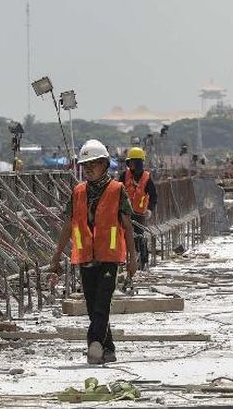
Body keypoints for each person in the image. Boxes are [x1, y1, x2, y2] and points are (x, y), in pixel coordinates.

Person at [50, 139, 137, 365]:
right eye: (85, 165)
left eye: (93, 164)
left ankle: (94, 342)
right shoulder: (78, 192)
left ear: (105, 165)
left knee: (102, 304)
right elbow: (68, 225)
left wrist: (133, 258)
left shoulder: (117, 190)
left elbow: (128, 226)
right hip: (86, 256)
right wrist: (56, 257)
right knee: (92, 305)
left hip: (109, 257)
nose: (88, 169)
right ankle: (108, 349)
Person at [119, 147, 157, 270]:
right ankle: (124, 261)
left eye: (133, 162)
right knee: (123, 236)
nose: (131, 165)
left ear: (138, 162)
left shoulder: (147, 178)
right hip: (125, 213)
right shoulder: (124, 176)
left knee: (139, 238)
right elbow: (116, 191)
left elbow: (153, 196)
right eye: (129, 162)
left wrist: (150, 209)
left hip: (140, 215)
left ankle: (142, 261)